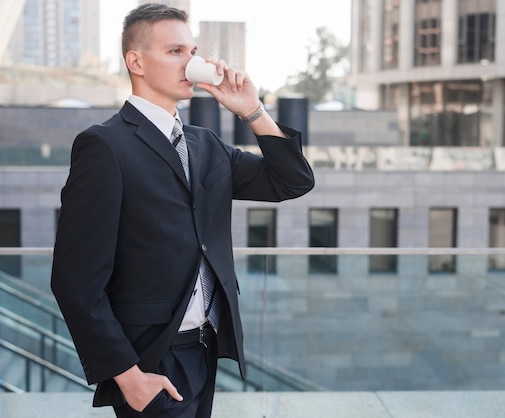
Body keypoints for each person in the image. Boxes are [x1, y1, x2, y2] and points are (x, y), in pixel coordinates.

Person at [50, 3, 314, 417]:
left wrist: (252, 110)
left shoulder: (205, 144)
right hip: (151, 358)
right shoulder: (103, 146)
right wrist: (127, 375)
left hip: (205, 349)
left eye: (192, 52)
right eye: (176, 52)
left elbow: (292, 181)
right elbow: (74, 280)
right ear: (135, 61)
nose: (191, 63)